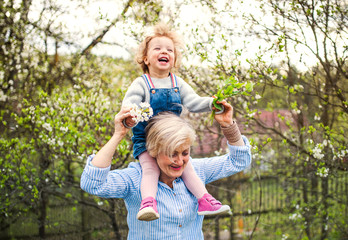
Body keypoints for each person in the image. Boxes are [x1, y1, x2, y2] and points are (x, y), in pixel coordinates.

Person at [80, 100, 252, 239]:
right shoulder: (134, 179)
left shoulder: (197, 170)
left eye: (185, 152)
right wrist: (118, 135)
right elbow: (92, 183)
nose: (179, 161)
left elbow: (239, 161)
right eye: (171, 154)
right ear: (154, 151)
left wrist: (228, 125)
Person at [121, 23, 227, 221]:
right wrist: (130, 114)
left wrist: (212, 103)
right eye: (158, 48)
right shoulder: (142, 83)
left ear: (174, 59)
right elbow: (129, 104)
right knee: (150, 169)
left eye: (169, 50)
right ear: (146, 58)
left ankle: (204, 199)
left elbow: (194, 102)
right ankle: (148, 204)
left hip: (172, 141)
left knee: (187, 168)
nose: (164, 52)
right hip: (146, 140)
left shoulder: (177, 83)